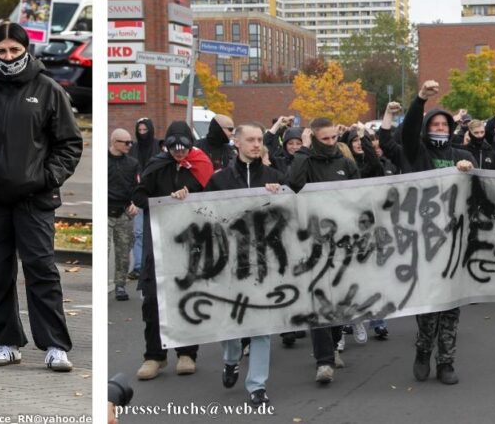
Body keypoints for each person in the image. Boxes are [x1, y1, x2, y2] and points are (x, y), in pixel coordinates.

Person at [0, 22, 82, 372]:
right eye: (1, 51)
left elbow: (69, 143)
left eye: (15, 51)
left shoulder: (49, 90)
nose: (8, 58)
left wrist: (47, 177)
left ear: (26, 50)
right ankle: (5, 342)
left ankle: (55, 345)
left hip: (34, 197)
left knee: (40, 268)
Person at [400, 80, 477, 385]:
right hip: (425, 240)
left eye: (445, 123)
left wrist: (467, 173)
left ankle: (446, 361)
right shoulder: (416, 152)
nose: (441, 127)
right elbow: (407, 131)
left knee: (452, 306)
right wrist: (420, 101)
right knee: (430, 304)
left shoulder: (464, 155)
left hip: (456, 241)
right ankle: (422, 351)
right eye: (436, 123)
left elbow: (478, 194)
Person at [285, 117, 369, 385]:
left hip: (343, 241)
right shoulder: (305, 160)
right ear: (314, 138)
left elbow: (359, 197)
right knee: (318, 299)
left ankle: (333, 346)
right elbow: (293, 183)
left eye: (334, 138)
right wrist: (304, 150)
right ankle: (324, 361)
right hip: (312, 241)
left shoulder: (345, 163)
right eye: (325, 139)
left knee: (338, 299)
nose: (332, 143)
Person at [207, 122, 282, 406]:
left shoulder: (274, 177)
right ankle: (231, 358)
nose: (256, 144)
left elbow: (289, 214)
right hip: (229, 264)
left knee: (261, 325)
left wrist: (280, 193)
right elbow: (201, 216)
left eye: (260, 139)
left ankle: (257, 385)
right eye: (250, 139)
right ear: (236, 143)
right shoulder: (219, 181)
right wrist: (182, 198)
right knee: (232, 323)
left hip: (263, 264)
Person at [133, 120, 211, 380]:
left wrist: (191, 195)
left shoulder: (200, 165)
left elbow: (211, 196)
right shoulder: (156, 166)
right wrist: (166, 201)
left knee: (186, 297)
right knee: (153, 300)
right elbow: (139, 196)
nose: (179, 153)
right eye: (174, 148)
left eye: (183, 148)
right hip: (158, 243)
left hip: (189, 242)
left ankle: (187, 352)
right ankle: (154, 355)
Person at [107, 128, 138, 301]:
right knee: (104, 250)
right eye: (125, 142)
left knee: (123, 252)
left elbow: (135, 187)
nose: (129, 145)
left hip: (124, 212)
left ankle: (120, 285)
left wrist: (134, 203)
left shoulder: (132, 163)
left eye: (130, 142)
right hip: (106, 210)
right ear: (114, 142)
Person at [129, 118, 157, 281]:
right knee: (138, 232)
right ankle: (139, 266)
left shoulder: (158, 147)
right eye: (139, 130)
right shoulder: (134, 148)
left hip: (155, 194)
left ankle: (152, 265)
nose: (142, 133)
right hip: (138, 194)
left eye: (145, 130)